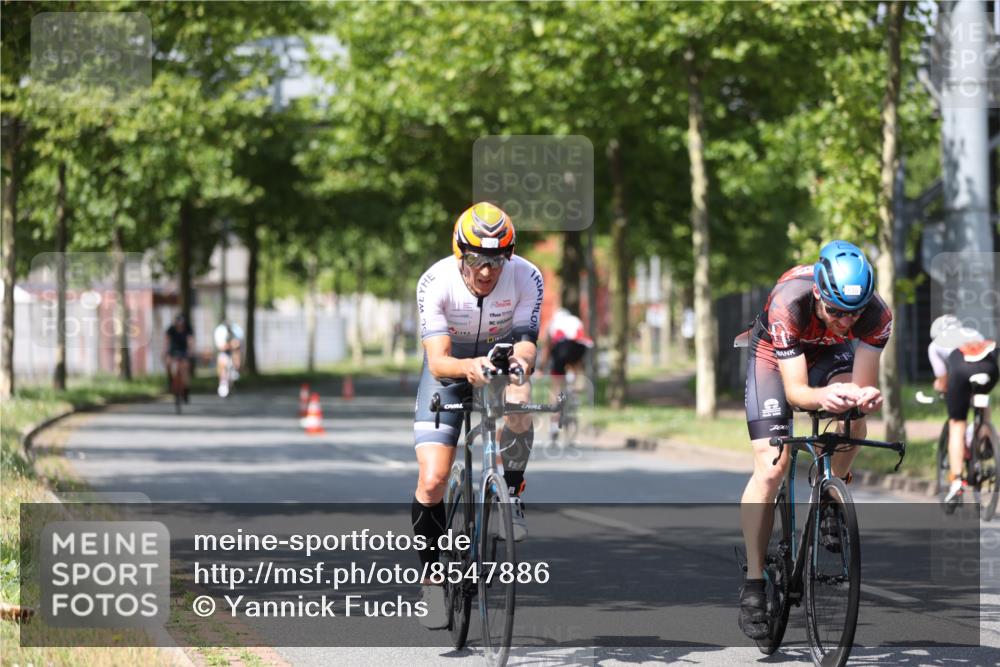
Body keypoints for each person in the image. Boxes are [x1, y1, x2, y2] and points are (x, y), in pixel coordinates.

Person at [738, 240, 892, 640]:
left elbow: (863, 384)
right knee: (772, 466)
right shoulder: (790, 303)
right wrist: (821, 397)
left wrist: (865, 396)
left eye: (853, 313)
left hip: (828, 354)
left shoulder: (876, 316)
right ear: (820, 295)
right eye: (836, 311)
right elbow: (796, 392)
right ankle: (755, 581)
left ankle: (830, 498)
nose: (846, 321)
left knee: (852, 415)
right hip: (775, 357)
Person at [411, 202, 544, 629]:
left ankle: (511, 491)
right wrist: (468, 369)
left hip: (499, 358)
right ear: (459, 255)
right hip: (451, 369)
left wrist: (521, 365)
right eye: (476, 260)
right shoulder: (435, 282)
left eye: (496, 260)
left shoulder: (527, 276)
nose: (486, 271)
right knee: (432, 479)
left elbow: (526, 341)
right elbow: (437, 362)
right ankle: (432, 578)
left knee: (520, 400)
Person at [927, 315, 998, 505]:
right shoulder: (972, 332)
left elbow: (943, 381)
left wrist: (940, 387)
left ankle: (957, 481)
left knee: (956, 424)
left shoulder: (935, 345)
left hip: (962, 368)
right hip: (990, 366)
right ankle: (983, 439)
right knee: (981, 398)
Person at [539, 307, 593, 437]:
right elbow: (583, 338)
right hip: (580, 347)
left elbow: (547, 347)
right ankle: (575, 392)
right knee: (576, 366)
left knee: (556, 387)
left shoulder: (552, 323)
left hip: (562, 347)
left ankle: (554, 425)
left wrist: (541, 367)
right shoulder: (576, 320)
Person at [164, 314, 194, 403]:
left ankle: (186, 390)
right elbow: (166, 342)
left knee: (185, 368)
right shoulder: (171, 330)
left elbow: (190, 341)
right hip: (172, 351)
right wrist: (165, 352)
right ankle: (170, 381)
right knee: (168, 363)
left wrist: (190, 351)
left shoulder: (188, 329)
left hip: (184, 351)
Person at [213, 319, 244, 397]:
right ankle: (223, 382)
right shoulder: (220, 332)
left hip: (233, 351)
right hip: (224, 352)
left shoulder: (236, 331)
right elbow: (221, 347)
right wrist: (230, 345)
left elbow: (238, 345)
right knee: (222, 361)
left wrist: (234, 346)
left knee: (236, 356)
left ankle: (235, 372)